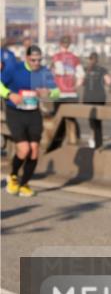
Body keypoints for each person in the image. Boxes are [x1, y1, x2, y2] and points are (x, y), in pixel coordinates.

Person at [1, 45, 61, 197]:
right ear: (26, 58)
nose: (36, 63)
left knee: (34, 151)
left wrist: (49, 93)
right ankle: (13, 175)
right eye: (33, 60)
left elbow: (56, 92)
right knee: (24, 149)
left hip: (33, 113)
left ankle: (25, 184)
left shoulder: (44, 72)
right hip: (15, 112)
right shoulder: (15, 69)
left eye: (39, 60)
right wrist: (9, 94)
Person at [82, 52, 111, 148]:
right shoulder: (102, 70)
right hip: (100, 97)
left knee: (91, 119)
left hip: (88, 97)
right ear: (97, 60)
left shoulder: (86, 69)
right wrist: (110, 88)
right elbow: (109, 82)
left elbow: (82, 82)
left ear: (89, 59)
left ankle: (92, 139)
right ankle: (99, 143)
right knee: (98, 120)